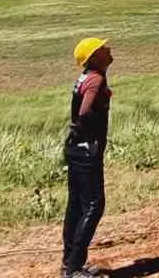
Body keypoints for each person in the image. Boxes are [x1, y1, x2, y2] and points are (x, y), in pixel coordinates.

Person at [62, 37, 113, 278]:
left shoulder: (86, 76)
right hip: (85, 150)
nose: (108, 49)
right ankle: (73, 269)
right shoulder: (96, 79)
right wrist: (92, 141)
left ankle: (68, 263)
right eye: (102, 49)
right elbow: (84, 112)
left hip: (74, 147)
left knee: (76, 205)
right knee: (93, 205)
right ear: (94, 58)